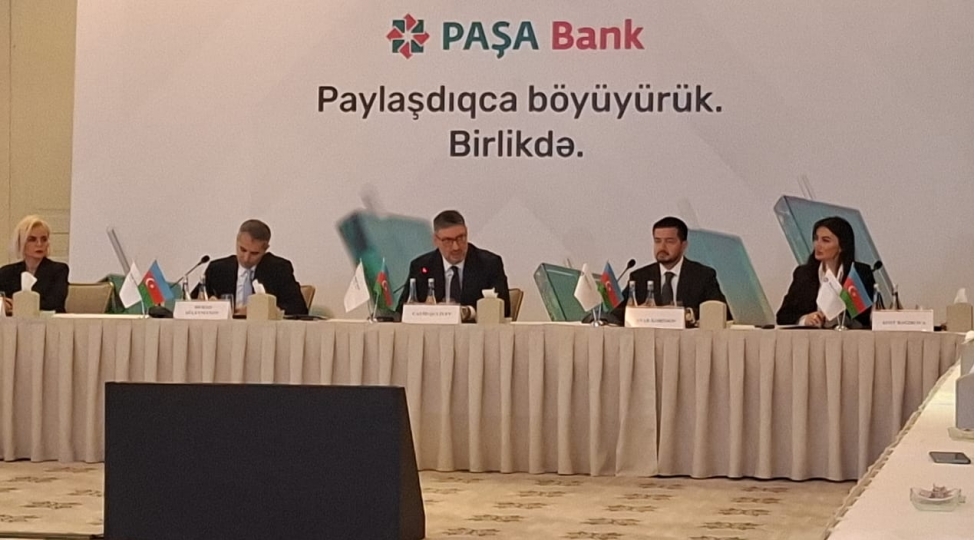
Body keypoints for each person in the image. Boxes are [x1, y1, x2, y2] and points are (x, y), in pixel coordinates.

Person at [396, 210, 510, 321]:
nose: (456, 247)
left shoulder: (489, 264)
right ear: (436, 240)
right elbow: (402, 312)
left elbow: (503, 310)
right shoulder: (421, 266)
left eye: (461, 238)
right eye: (448, 241)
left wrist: (468, 312)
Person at [610, 216, 728, 322]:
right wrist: (638, 312)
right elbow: (615, 313)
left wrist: (688, 314)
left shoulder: (703, 275)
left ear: (684, 245)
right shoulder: (639, 277)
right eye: (657, 241)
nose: (662, 247)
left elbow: (722, 312)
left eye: (669, 241)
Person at [776, 216, 876, 328]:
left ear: (842, 246)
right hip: (811, 335)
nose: (817, 245)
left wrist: (842, 319)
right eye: (816, 239)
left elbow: (866, 318)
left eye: (825, 240)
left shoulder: (859, 273)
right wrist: (805, 319)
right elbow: (783, 315)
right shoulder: (804, 274)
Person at [200, 219, 307, 316]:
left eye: (254, 253)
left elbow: (298, 308)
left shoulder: (279, 269)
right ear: (237, 242)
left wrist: (263, 310)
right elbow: (195, 301)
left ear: (265, 250)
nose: (246, 258)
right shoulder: (217, 269)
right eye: (243, 250)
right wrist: (208, 304)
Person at [0, 215, 69, 313]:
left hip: (50, 321)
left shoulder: (59, 270)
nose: (39, 244)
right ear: (21, 242)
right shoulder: (6, 272)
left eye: (44, 239)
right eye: (32, 239)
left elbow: (54, 303)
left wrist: (17, 305)